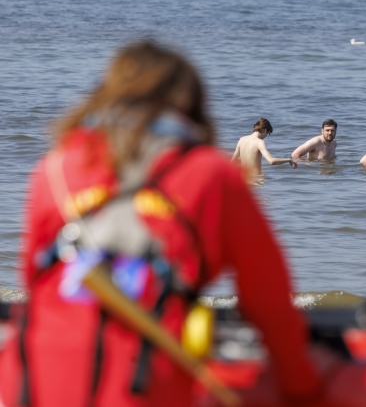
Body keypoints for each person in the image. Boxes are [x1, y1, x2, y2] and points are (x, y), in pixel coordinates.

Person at [0, 42, 324, 407]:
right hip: (142, 386)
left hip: (28, 382)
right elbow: (270, 304)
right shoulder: (211, 175)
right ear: (191, 105)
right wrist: (304, 389)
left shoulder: (52, 169)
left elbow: (33, 281)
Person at [231, 117, 297, 176]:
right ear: (265, 130)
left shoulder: (242, 139)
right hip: (256, 180)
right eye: (267, 134)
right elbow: (271, 161)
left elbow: (233, 162)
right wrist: (289, 160)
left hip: (244, 179)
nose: (265, 136)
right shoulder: (259, 142)